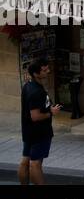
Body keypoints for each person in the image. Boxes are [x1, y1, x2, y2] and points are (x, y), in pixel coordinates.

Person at [19, 57, 61, 185]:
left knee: (25, 161)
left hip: (28, 131)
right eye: (44, 70)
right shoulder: (36, 92)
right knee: (35, 164)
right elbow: (35, 116)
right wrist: (51, 113)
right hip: (40, 132)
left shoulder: (28, 86)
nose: (47, 71)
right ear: (36, 74)